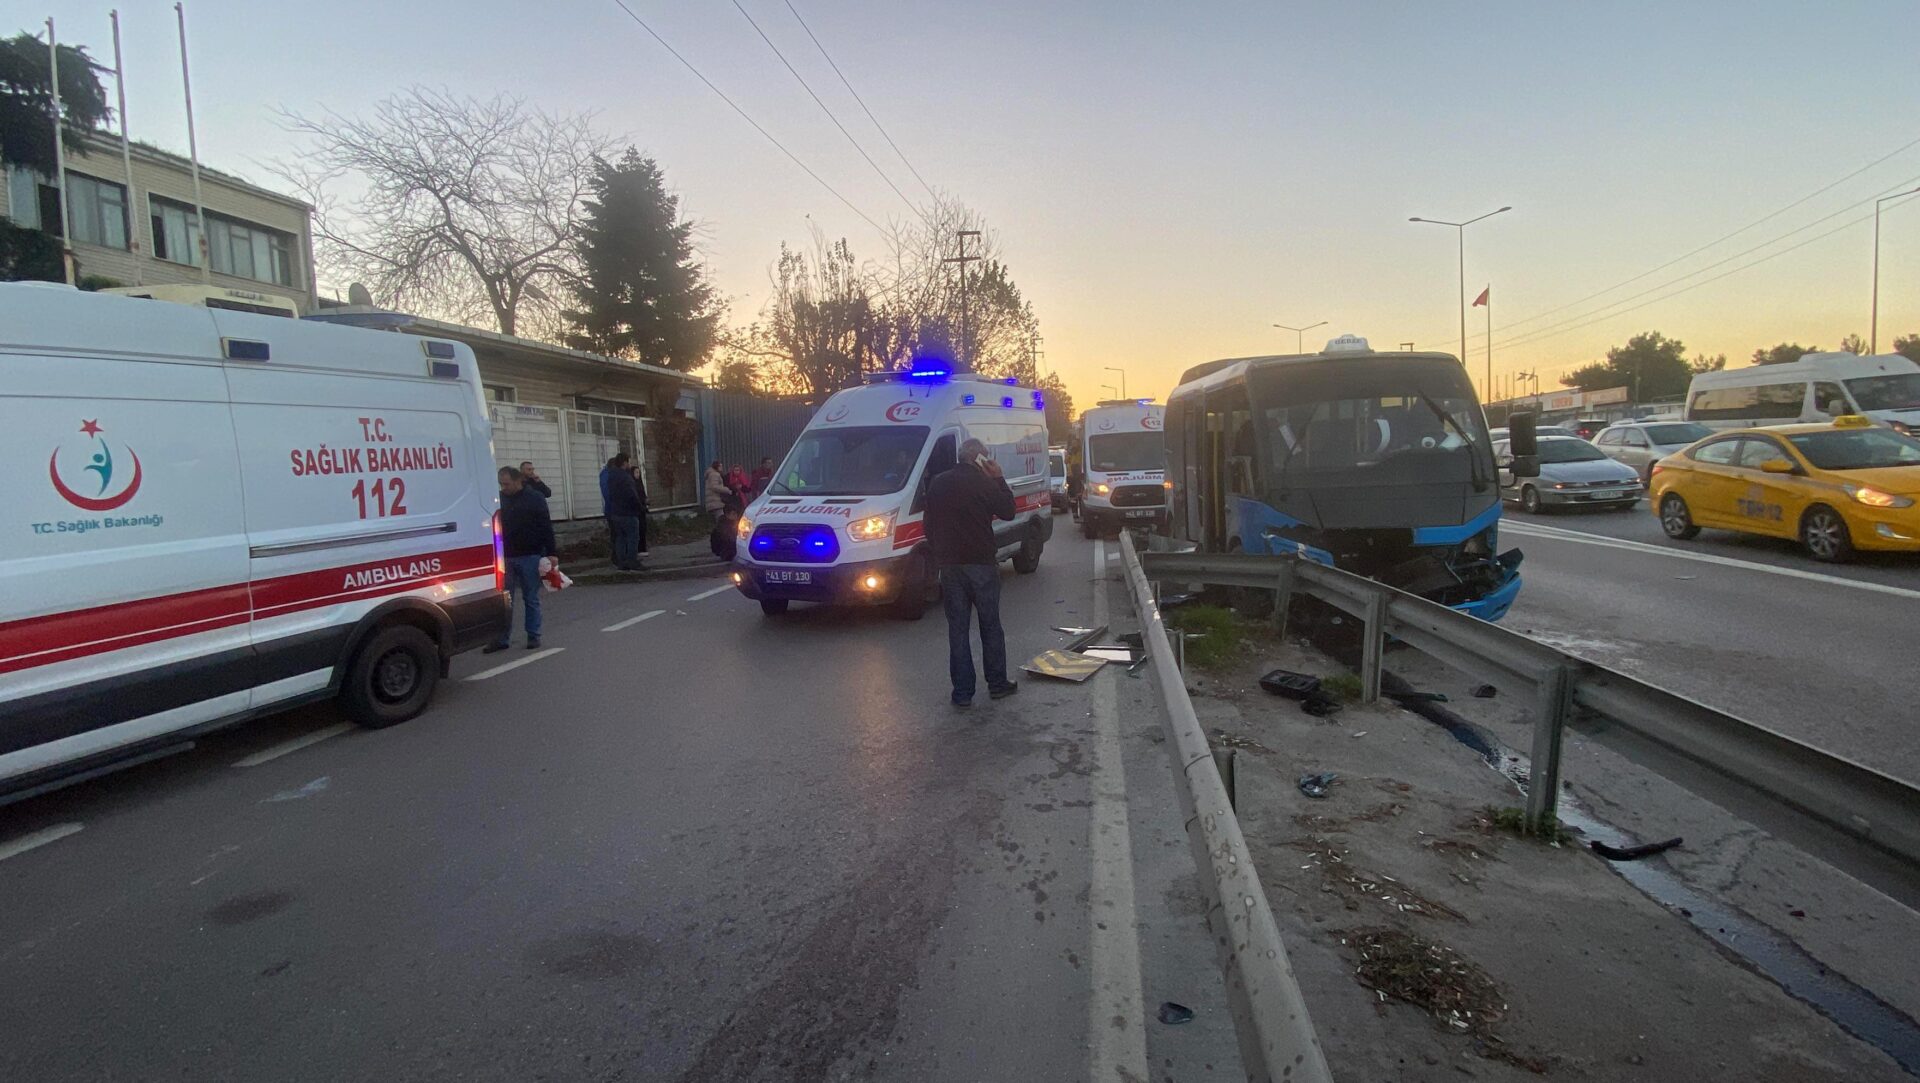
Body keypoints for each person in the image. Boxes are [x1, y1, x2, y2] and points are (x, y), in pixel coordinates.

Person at [925, 438, 1018, 708]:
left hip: (950, 567)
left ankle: (962, 692)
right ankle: (997, 684)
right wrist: (999, 478)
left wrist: (941, 554)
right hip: (981, 565)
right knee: (990, 626)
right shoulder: (985, 483)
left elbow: (928, 526)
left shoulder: (938, 483)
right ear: (978, 459)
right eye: (986, 458)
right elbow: (1009, 512)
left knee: (958, 630)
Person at [486, 466, 556, 652]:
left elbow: (545, 525)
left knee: (530, 597)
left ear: (518, 481)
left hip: (530, 554)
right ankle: (502, 638)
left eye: (506, 484)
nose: (503, 488)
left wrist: (551, 552)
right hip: (505, 556)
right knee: (504, 600)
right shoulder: (499, 500)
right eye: (501, 484)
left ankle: (533, 635)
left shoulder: (535, 498)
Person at [605, 452, 645, 571]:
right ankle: (632, 560)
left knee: (620, 537)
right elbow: (631, 494)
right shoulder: (625, 477)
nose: (630, 464)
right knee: (633, 537)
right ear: (625, 463)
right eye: (629, 461)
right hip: (628, 512)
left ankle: (621, 562)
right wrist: (639, 507)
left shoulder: (611, 476)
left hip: (616, 511)